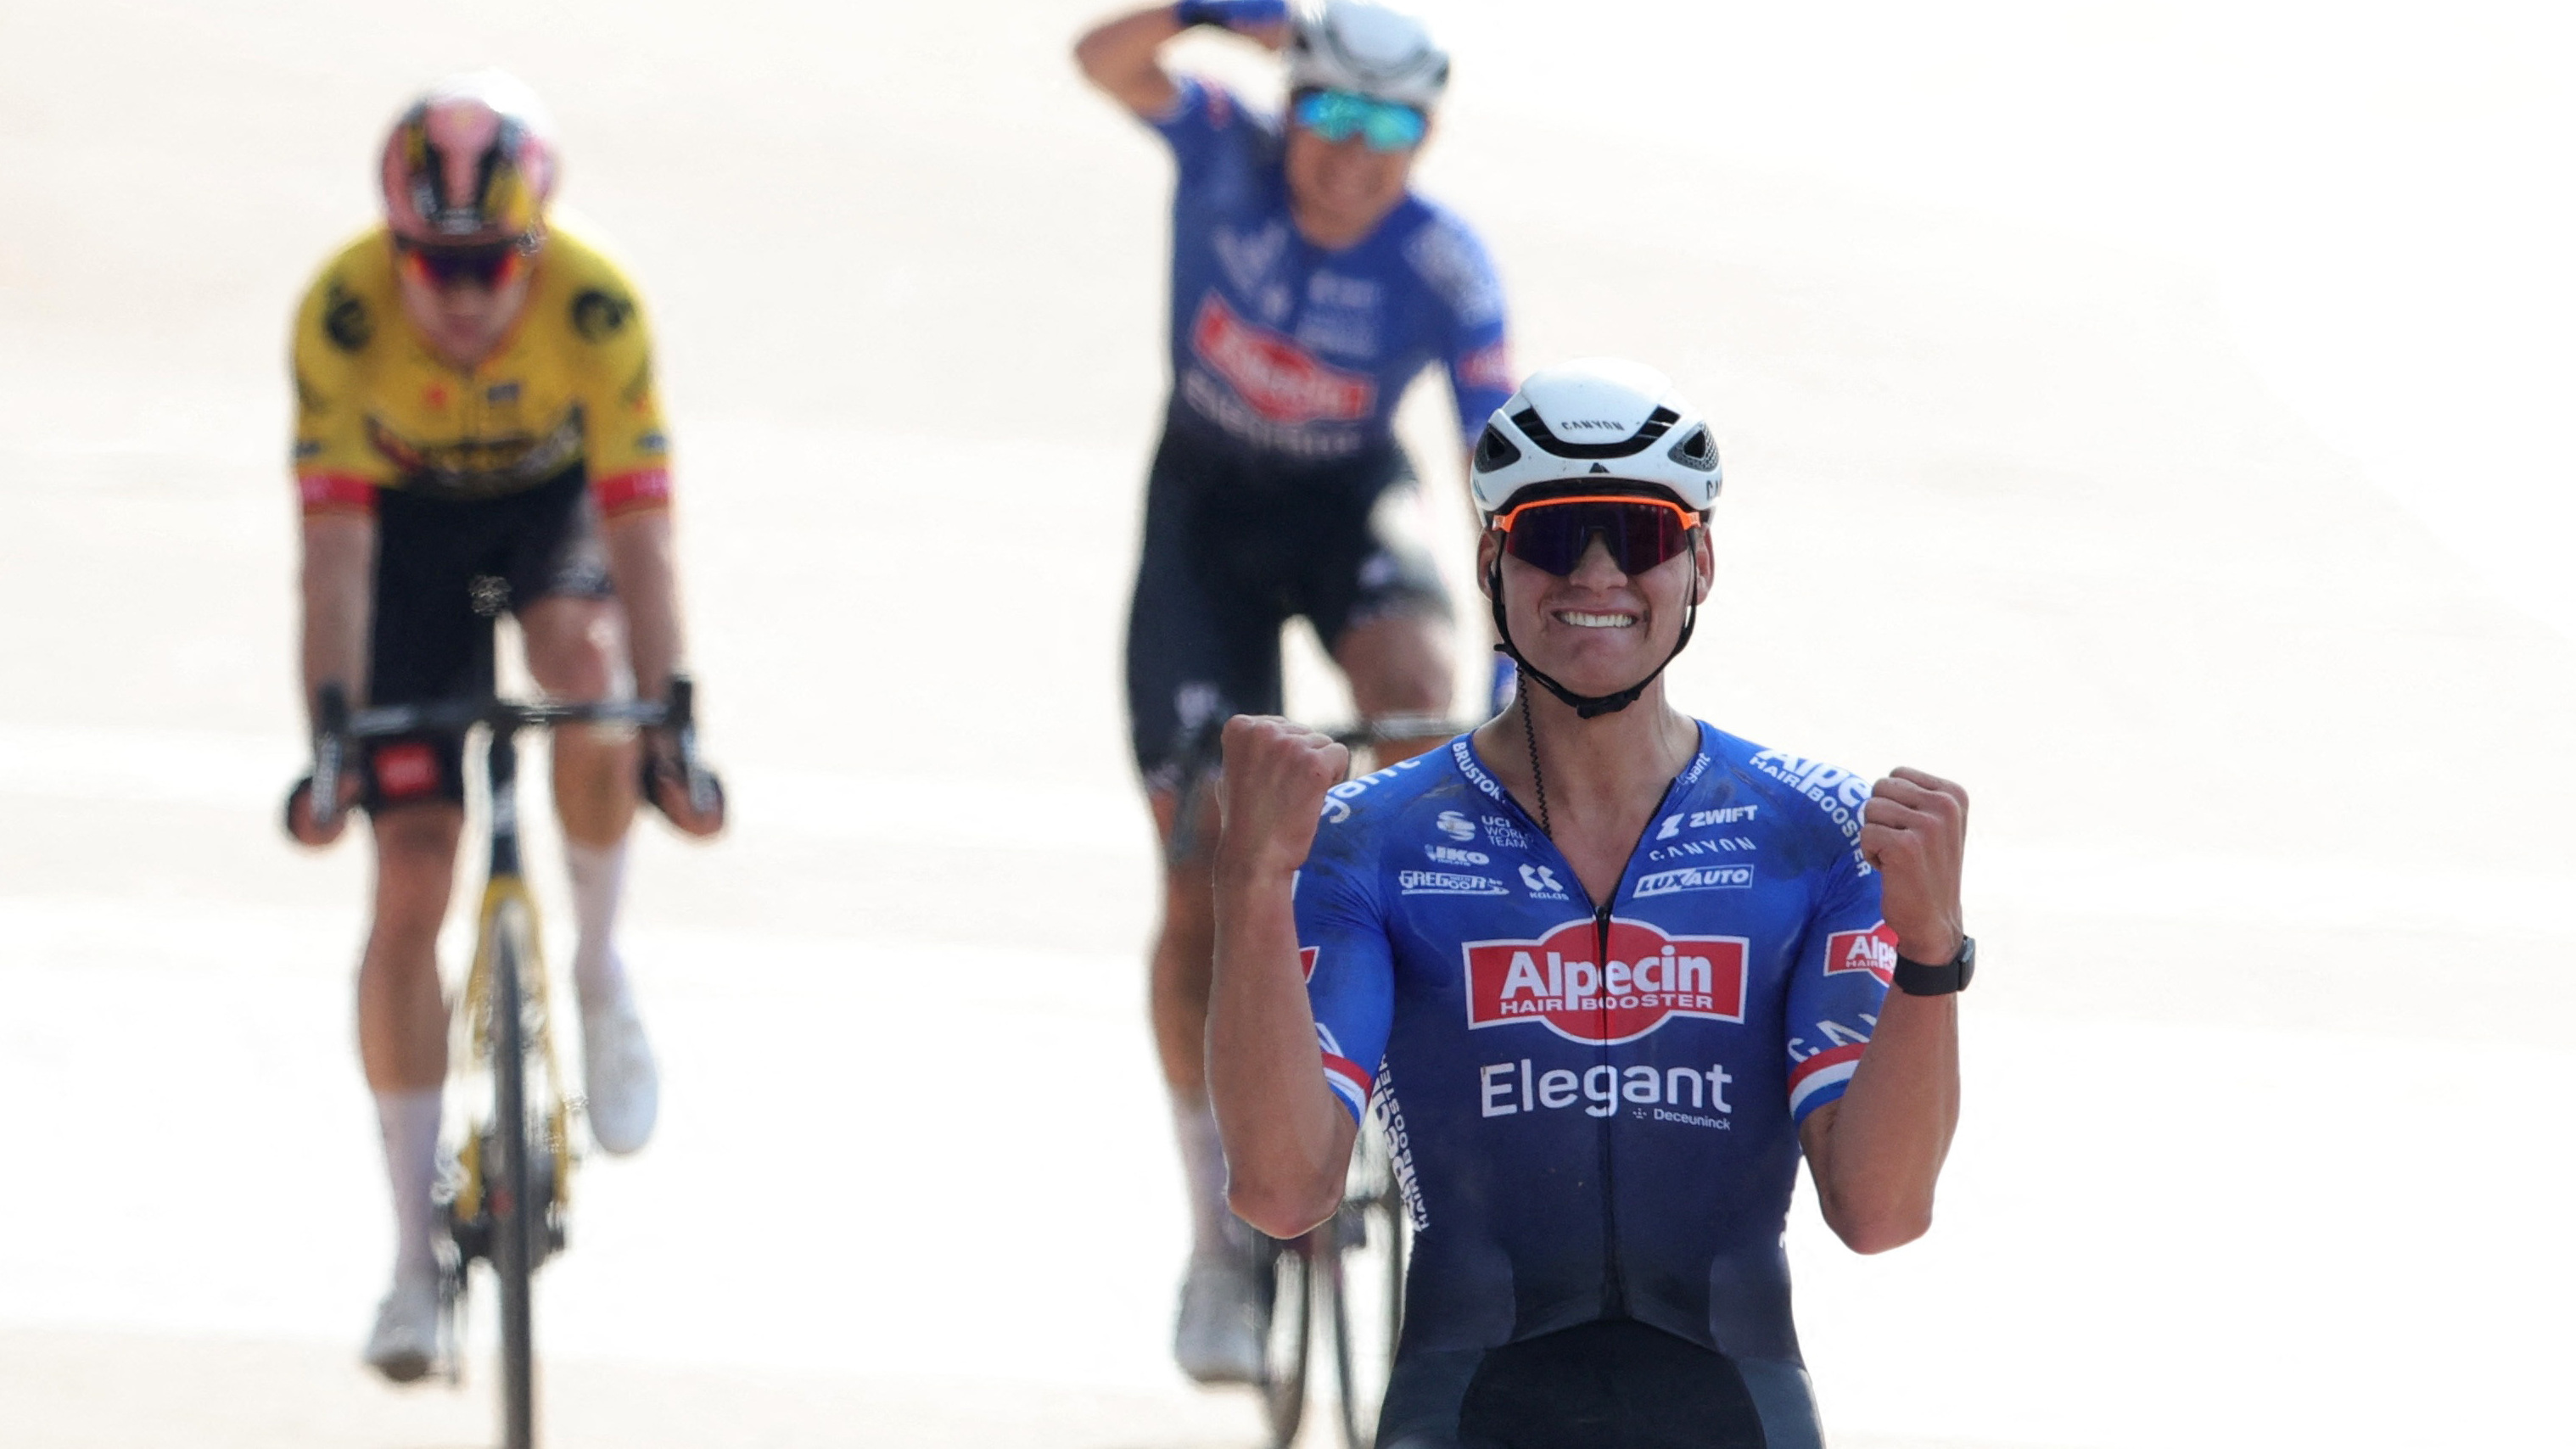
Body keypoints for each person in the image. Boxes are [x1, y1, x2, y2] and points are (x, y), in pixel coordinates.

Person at [1208, 359, 1974, 1448]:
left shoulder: (1821, 837)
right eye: (1558, 534)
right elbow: (1284, 1190)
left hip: (1727, 1403)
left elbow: (1882, 1210)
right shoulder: (1371, 842)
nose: (1601, 572)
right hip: (1470, 1407)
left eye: (1643, 533)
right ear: (1492, 562)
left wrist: (1933, 955)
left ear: (1701, 562)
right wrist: (1250, 883)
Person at [1072, 0, 1517, 1383]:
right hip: (1205, 518)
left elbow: (1496, 474)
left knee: (1423, 702)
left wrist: (1518, 671)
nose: (1358, 153)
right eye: (1334, 114)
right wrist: (1215, 13)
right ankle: (1216, 1239)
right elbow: (1102, 61)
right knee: (1199, 875)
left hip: (1343, 505)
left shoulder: (1441, 261)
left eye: (1396, 128)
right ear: (1291, 102)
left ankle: (1410, 1004)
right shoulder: (1222, 147)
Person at [279, 70, 724, 1384]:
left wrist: (672, 717)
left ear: (535, 244)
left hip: (549, 511)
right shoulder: (344, 314)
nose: (465, 297)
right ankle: (410, 1266)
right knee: (412, 872)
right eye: (436, 265)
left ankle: (597, 967)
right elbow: (333, 562)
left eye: (491, 266)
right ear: (395, 249)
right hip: (404, 539)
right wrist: (329, 739)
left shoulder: (596, 306)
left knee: (588, 667)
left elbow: (642, 532)